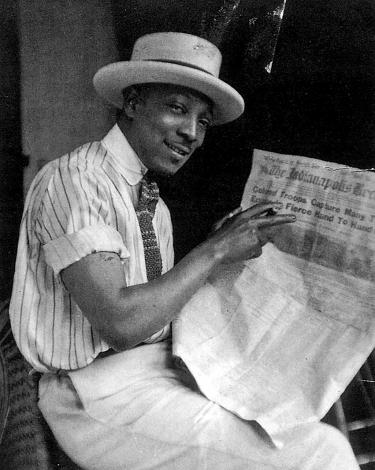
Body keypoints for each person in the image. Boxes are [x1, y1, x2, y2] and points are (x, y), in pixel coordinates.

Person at [9, 32, 359, 469]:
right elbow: (121, 323)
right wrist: (213, 252)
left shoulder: (151, 200)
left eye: (204, 121)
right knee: (320, 453)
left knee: (298, 415)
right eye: (177, 107)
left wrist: (225, 251)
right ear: (132, 103)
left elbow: (156, 307)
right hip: (92, 392)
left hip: (156, 369)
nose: (192, 133)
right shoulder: (76, 179)